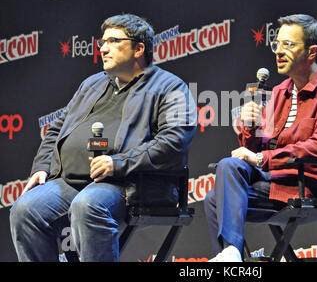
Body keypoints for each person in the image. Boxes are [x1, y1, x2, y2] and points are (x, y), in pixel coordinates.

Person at [9, 14, 197, 262]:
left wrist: (116, 163)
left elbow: (173, 142)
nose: (103, 48)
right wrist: (43, 165)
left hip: (133, 184)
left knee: (88, 204)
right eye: (102, 43)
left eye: (113, 41)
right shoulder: (92, 84)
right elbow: (57, 129)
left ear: (139, 48)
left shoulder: (170, 87)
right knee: (24, 210)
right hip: (72, 181)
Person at [204, 14, 317, 262]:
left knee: (215, 198)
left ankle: (230, 256)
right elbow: (254, 148)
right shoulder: (279, 92)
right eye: (277, 44)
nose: (279, 51)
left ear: (312, 52)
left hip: (308, 184)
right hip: (274, 179)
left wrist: (261, 157)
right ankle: (232, 255)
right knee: (228, 168)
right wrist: (249, 127)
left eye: (289, 45)